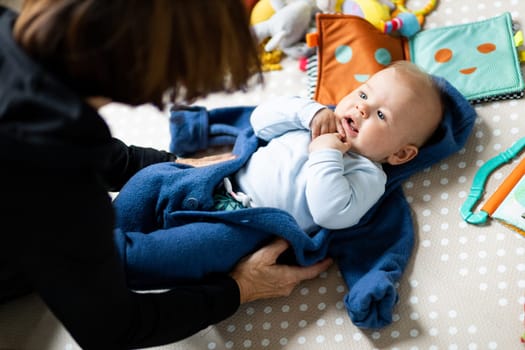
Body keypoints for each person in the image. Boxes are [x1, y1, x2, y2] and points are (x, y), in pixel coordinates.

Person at [0, 1, 332, 349]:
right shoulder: (56, 174)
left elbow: (79, 142)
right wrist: (239, 288)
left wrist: (174, 161)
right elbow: (112, 328)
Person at [225, 60, 443, 233]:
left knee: (195, 247)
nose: (362, 107)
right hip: (221, 184)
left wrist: (325, 153)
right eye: (364, 94)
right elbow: (259, 124)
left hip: (250, 227)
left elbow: (330, 214)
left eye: (381, 115)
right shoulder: (315, 119)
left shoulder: (368, 174)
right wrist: (307, 113)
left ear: (400, 153)